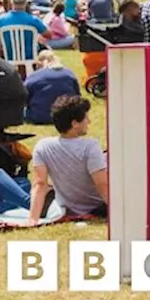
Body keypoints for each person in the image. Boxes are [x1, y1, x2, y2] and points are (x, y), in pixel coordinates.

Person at [28, 95, 108, 225]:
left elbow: (40, 184)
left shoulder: (42, 146)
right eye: (86, 118)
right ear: (75, 123)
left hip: (67, 208)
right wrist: (119, 212)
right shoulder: (90, 147)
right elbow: (102, 185)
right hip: (96, 207)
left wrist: (32, 220)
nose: (89, 121)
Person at [24, 50, 81, 124]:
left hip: (38, 116)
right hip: (67, 116)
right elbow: (77, 96)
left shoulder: (34, 76)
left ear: (39, 63)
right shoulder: (69, 74)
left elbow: (24, 96)